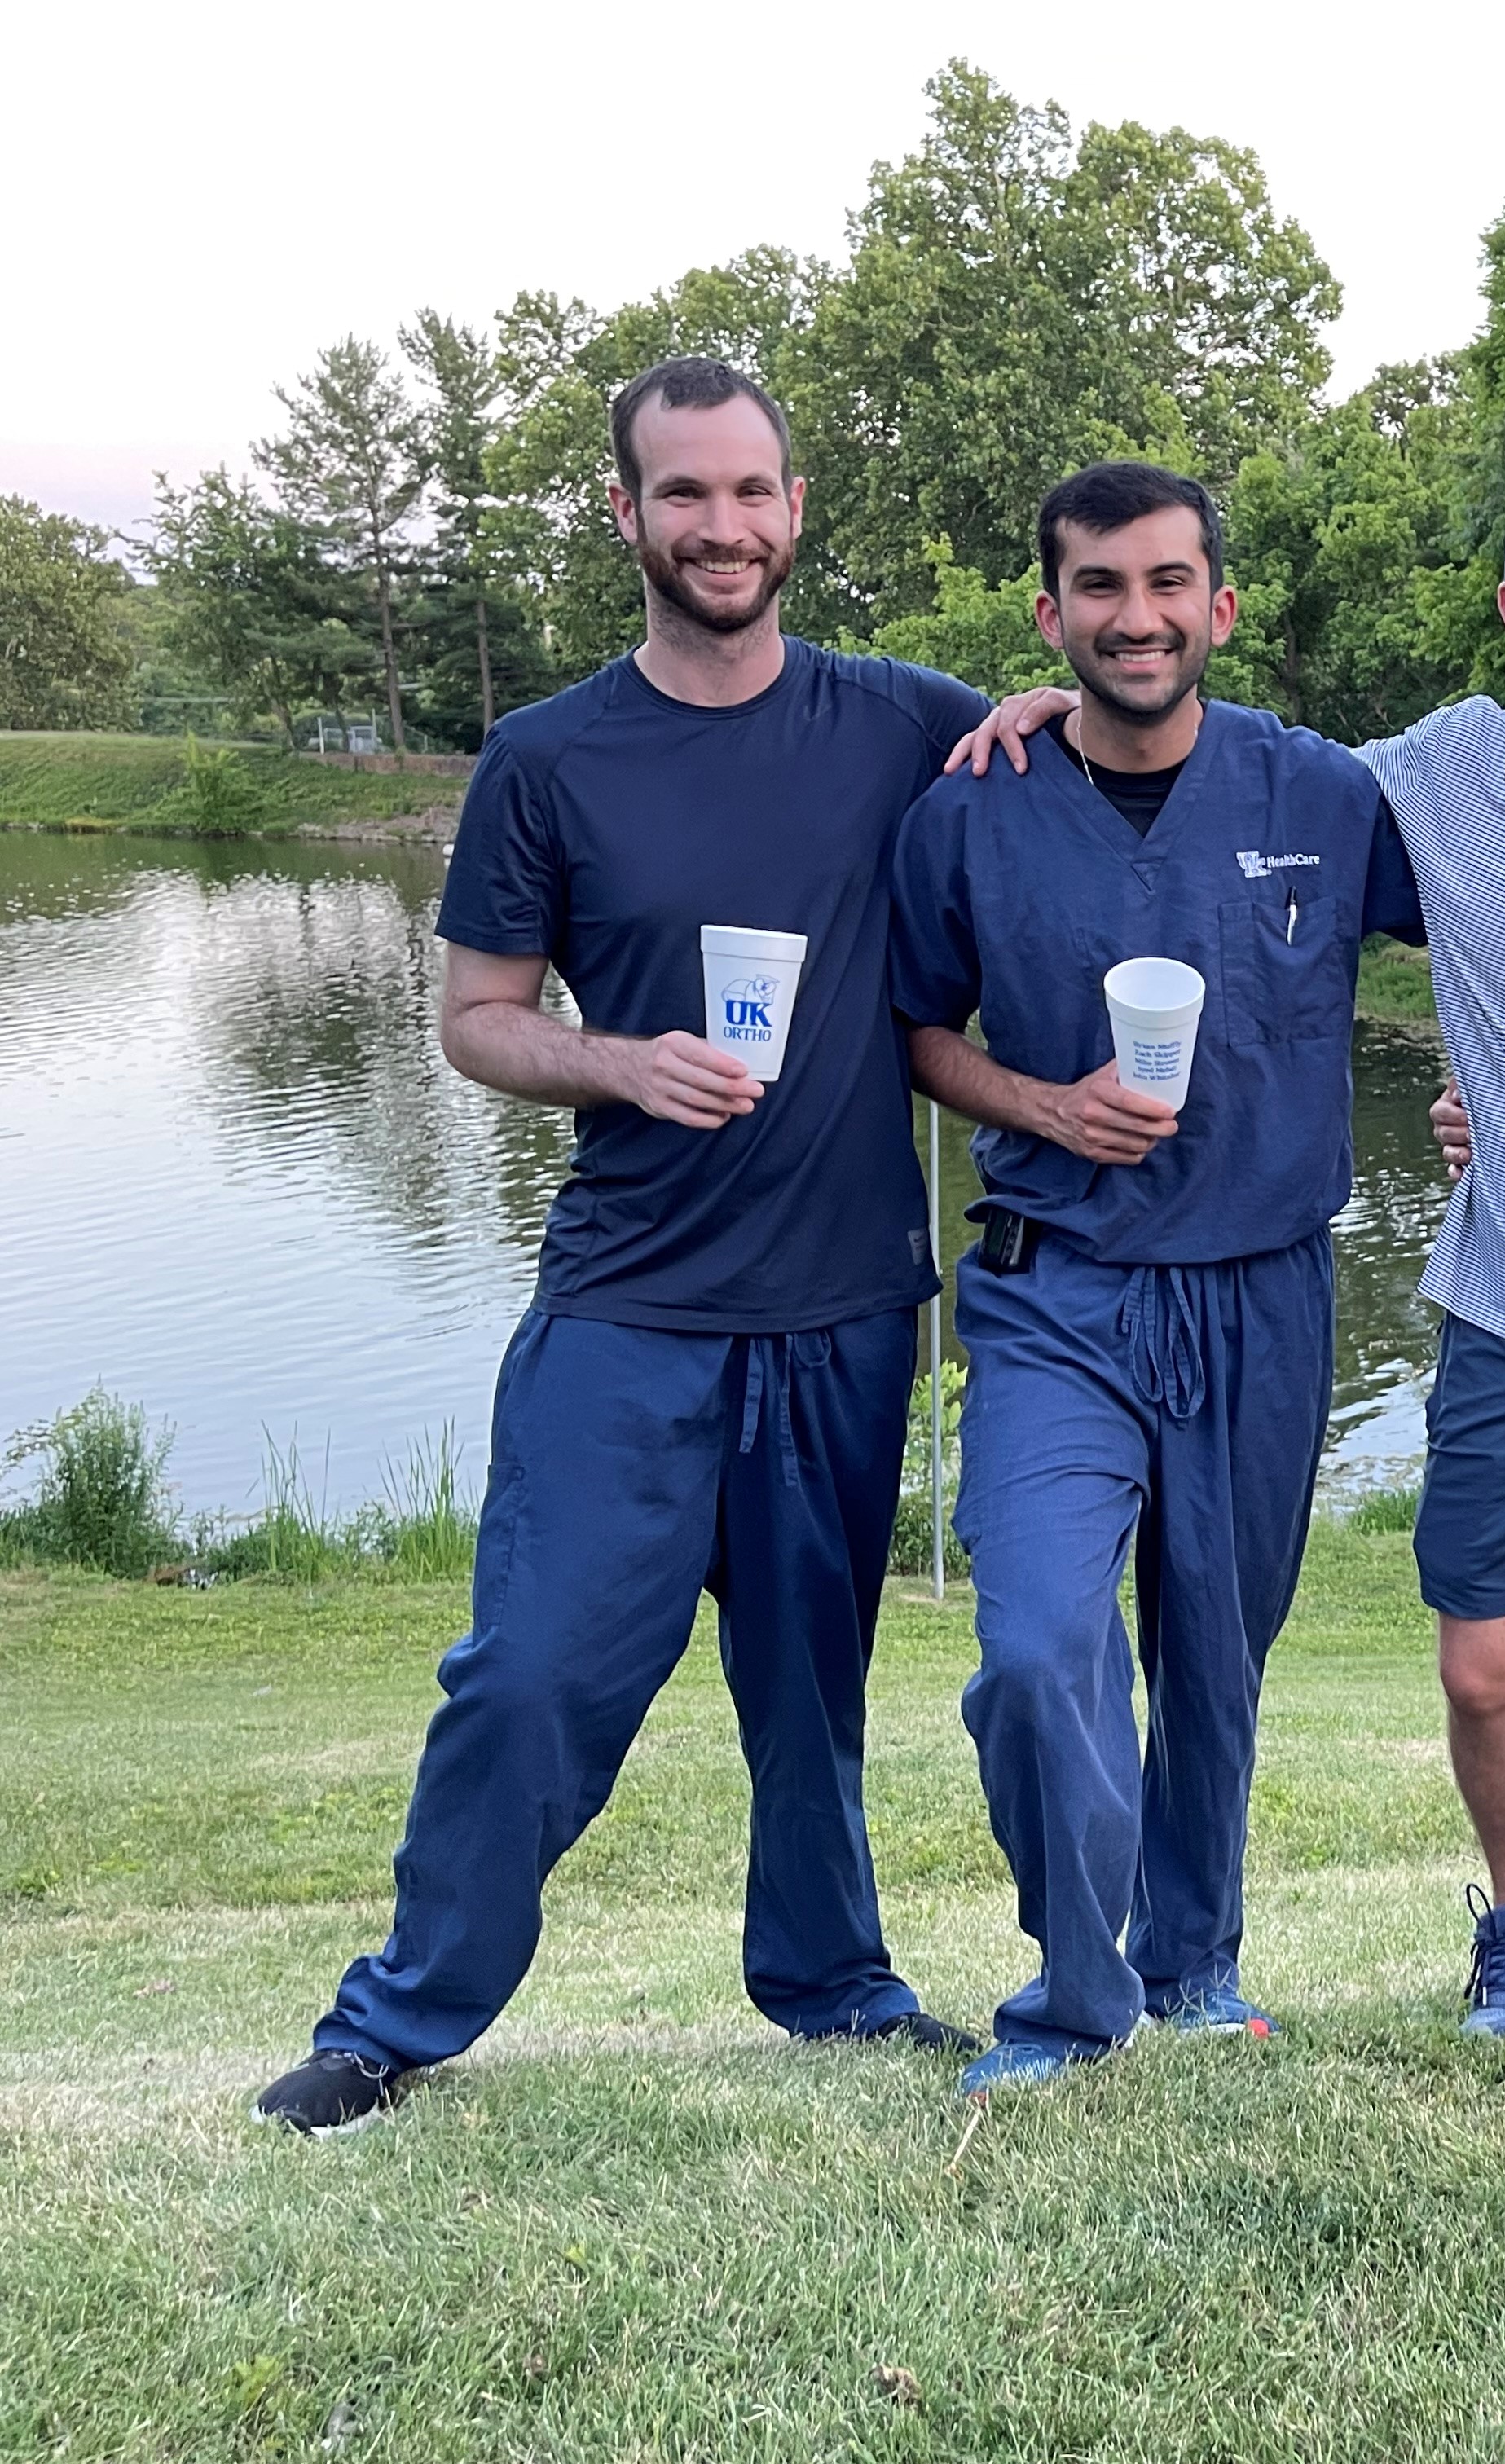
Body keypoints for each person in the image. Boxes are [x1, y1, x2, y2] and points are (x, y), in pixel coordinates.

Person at [955, 457, 1505, 2053]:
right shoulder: (1421, 779)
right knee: (1444, 1670)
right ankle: (1459, 1926)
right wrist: (1069, 690)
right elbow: (1183, 745)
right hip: (1457, 1302)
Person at [251, 357, 984, 2136]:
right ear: (627, 515)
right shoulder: (548, 757)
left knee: (813, 1698)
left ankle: (832, 1987)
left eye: (752, 492)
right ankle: (397, 2023)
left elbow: (1086, 755)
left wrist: (1048, 693)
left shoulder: (904, 721)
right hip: (631, 1308)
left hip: (845, 1310)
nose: (722, 527)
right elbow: (478, 1022)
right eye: (685, 495)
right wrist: (618, 1057)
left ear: (797, 511)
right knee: (531, 1673)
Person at [889, 462, 1421, 2095]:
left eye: (1168, 584)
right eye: (1099, 589)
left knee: (1218, 1654)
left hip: (1262, 1292)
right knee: (1044, 1645)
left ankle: (1196, 1966)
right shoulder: (973, 803)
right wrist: (1044, 1104)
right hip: (1058, 1292)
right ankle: (1068, 1995)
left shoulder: (1323, 795)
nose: (1137, 616)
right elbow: (916, 1029)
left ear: (1220, 607)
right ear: (1048, 613)